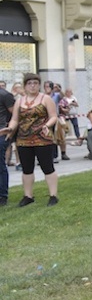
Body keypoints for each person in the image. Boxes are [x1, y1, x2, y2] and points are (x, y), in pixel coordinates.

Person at [0, 73, 60, 207]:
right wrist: (10, 128)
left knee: (47, 167)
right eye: (29, 83)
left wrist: (47, 125)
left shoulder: (45, 99)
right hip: (23, 139)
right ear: (25, 86)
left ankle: (53, 195)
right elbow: (15, 119)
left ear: (39, 85)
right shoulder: (20, 101)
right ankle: (28, 196)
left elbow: (53, 116)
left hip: (43, 138)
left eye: (35, 83)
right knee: (26, 169)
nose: (32, 86)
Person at [0, 85, 15, 206]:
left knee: (0, 165)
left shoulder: (5, 95)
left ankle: (2, 196)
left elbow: (15, 115)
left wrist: (10, 131)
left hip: (1, 133)